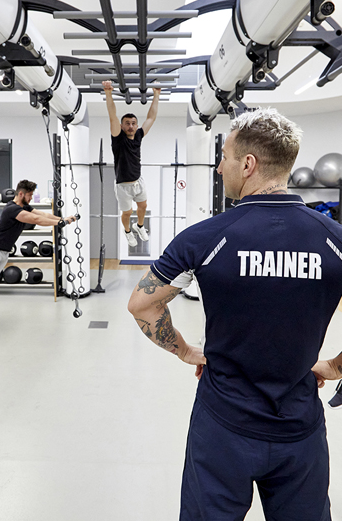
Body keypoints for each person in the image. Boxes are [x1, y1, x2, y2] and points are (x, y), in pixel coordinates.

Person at [128, 108, 342, 521]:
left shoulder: (206, 237)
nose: (219, 166)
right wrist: (333, 366)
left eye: (224, 156)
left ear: (248, 164)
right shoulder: (334, 239)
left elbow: (142, 303)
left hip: (223, 426)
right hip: (299, 429)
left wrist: (185, 351)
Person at [0, 179, 77, 330]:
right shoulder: (12, 209)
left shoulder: (24, 206)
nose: (31, 198)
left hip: (3, 251)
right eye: (29, 195)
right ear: (21, 193)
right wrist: (59, 224)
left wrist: (62, 220)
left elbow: (41, 214)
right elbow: (36, 219)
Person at [102, 80, 161, 247]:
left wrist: (156, 94)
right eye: (127, 124)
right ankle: (127, 231)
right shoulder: (118, 138)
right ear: (122, 126)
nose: (131, 126)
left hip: (138, 181)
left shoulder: (139, 135)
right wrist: (108, 92)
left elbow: (151, 117)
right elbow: (112, 115)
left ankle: (139, 226)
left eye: (133, 123)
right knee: (127, 212)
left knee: (143, 206)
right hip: (123, 185)